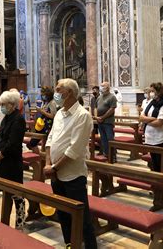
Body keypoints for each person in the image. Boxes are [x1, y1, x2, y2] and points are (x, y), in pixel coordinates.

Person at [44, 78, 97, 249]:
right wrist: (47, 163)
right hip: (55, 174)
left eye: (59, 90)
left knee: (82, 219)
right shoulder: (59, 113)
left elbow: (74, 149)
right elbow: (50, 139)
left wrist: (53, 167)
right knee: (64, 216)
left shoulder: (82, 115)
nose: (56, 93)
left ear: (70, 93)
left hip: (73, 175)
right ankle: (70, 245)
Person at [0, 90, 26, 229]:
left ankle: (20, 222)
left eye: (4, 104)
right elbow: (0, 138)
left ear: (12, 104)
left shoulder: (18, 119)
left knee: (17, 193)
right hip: (3, 159)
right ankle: (5, 221)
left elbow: (12, 143)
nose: (2, 106)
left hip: (13, 161)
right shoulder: (6, 117)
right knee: (6, 191)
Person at [140, 82, 163, 174]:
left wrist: (146, 120)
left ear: (159, 92)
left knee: (161, 164)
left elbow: (159, 123)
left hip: (160, 138)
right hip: (149, 137)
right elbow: (141, 117)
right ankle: (157, 184)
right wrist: (152, 119)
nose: (150, 93)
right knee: (153, 163)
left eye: (152, 91)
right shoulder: (150, 103)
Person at [28, 86, 57, 154]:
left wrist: (42, 111)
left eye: (43, 94)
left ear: (47, 94)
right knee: (34, 142)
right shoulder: (46, 102)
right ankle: (40, 158)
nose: (41, 95)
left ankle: (41, 158)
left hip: (48, 126)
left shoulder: (52, 103)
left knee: (37, 143)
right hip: (42, 125)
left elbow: (53, 116)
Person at [95, 81, 117, 159]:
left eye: (103, 86)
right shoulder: (99, 97)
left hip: (108, 122)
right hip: (100, 122)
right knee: (103, 139)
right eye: (101, 86)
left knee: (110, 139)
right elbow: (96, 108)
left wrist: (103, 117)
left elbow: (112, 109)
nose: (101, 87)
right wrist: (96, 117)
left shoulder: (112, 97)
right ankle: (106, 154)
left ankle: (113, 156)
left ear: (107, 88)